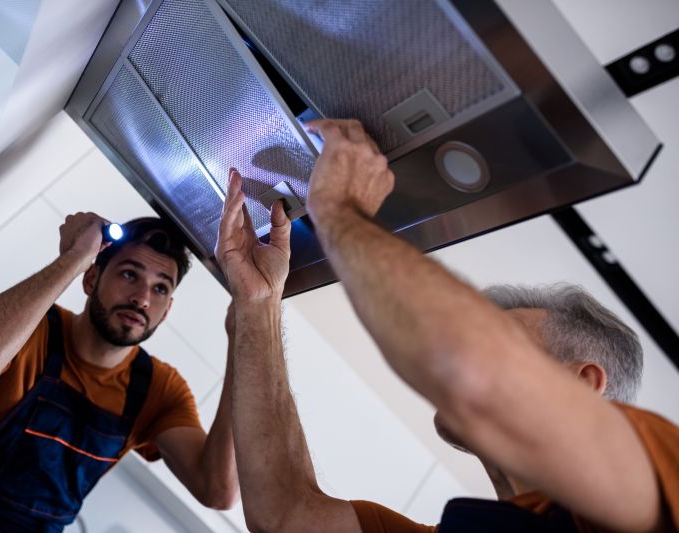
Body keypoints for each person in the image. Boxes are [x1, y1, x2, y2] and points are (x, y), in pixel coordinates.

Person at [215, 119, 679, 532]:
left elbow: (468, 375)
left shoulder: (657, 476)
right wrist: (259, 302)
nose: (465, 352)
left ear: (584, 385)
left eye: (500, 345)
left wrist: (338, 211)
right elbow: (286, 514)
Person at [0, 214, 238, 531]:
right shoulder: (28, 329)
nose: (142, 298)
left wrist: (243, 339)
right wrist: (73, 258)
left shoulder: (159, 389)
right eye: (130, 274)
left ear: (166, 311)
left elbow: (219, 491)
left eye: (159, 288)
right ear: (90, 279)